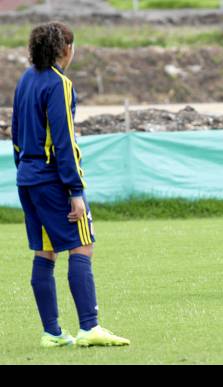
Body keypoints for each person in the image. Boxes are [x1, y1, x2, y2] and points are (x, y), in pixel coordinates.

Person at [12, 22, 130, 347]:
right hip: (52, 180)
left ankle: (52, 333)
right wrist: (75, 191)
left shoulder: (25, 79)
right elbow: (64, 141)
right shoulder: (59, 83)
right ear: (66, 49)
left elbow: (15, 133)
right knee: (82, 245)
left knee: (45, 251)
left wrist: (25, 171)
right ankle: (89, 328)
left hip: (27, 178)